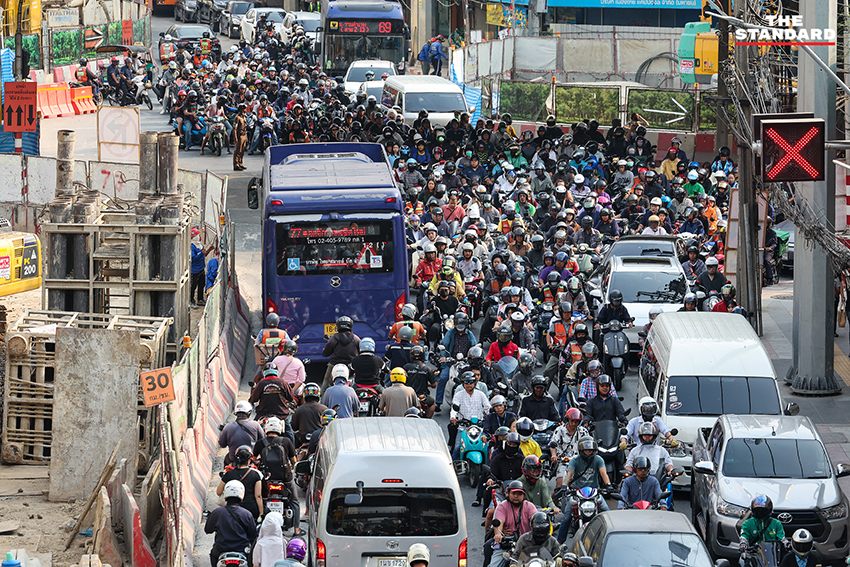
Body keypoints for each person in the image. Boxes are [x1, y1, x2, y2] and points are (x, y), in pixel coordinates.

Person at [557, 436, 612, 543]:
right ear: (581, 450)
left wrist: (608, 485)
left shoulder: (598, 459)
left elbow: (603, 473)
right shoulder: (575, 460)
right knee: (567, 517)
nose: (588, 453)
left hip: (594, 492)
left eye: (590, 450)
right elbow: (569, 473)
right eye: (586, 450)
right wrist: (564, 486)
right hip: (577, 492)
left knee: (608, 514)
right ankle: (559, 543)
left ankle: (609, 540)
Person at [205, 480, 257, 567]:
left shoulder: (217, 512)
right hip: (242, 549)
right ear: (242, 495)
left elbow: (208, 530)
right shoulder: (247, 514)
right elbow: (253, 535)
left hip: (221, 548)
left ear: (225, 494)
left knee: (213, 556)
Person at [489, 481, 537, 567]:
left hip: (528, 545)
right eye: (513, 493)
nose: (516, 496)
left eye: (519, 494)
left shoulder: (529, 506)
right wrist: (498, 534)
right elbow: (498, 522)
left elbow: (536, 521)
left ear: (523, 495)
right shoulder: (502, 506)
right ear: (508, 494)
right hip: (507, 544)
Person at [436, 312, 476, 410]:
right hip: (451, 362)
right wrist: (443, 357)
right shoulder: (450, 333)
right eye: (458, 325)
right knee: (443, 378)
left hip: (466, 362)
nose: (460, 327)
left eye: (462, 325)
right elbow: (444, 345)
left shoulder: (469, 334)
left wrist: (474, 356)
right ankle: (438, 402)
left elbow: (474, 346)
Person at [450, 371, 491, 459]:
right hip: (463, 428)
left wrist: (490, 416)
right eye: (466, 382)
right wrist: (453, 417)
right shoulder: (458, 395)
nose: (469, 384)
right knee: (458, 448)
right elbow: (454, 408)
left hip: (479, 428)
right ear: (463, 384)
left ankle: (488, 470)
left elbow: (487, 407)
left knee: (486, 447)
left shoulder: (481, 394)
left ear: (475, 383)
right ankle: (452, 468)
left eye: (471, 382)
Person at [217, 445, 264, 520]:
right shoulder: (255, 474)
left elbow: (219, 492)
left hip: (232, 509)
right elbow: (258, 496)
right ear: (248, 461)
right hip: (251, 509)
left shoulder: (229, 474)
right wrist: (261, 513)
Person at [740, 495, 787, 565]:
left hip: (773, 555)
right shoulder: (748, 523)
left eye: (763, 510)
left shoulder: (776, 523)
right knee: (743, 561)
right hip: (754, 554)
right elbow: (744, 537)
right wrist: (743, 544)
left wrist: (787, 544)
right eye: (758, 510)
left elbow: (782, 538)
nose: (760, 512)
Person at [550, 407, 589, 489]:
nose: (574, 424)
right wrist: (554, 455)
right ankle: (552, 502)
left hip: (580, 462)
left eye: (576, 422)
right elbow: (553, 444)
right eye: (572, 421)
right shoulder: (559, 430)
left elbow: (588, 445)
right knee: (559, 487)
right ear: (568, 420)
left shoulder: (583, 431)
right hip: (563, 463)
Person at [218, 400, 265, 465]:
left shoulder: (228, 426)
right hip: (252, 459)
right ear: (249, 413)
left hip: (233, 459)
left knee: (226, 462)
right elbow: (263, 442)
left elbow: (222, 444)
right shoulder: (256, 425)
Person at [321, 316, 361, 390]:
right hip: (351, 365)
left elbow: (325, 354)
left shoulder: (333, 338)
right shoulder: (356, 338)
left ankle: (323, 399)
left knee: (326, 381)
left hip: (334, 364)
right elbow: (361, 352)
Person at [190, 228, 208, 307]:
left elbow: (204, 254)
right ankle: (191, 300)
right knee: (193, 286)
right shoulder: (192, 247)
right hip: (195, 271)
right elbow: (193, 258)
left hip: (201, 269)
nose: (199, 237)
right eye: (198, 235)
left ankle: (200, 299)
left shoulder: (200, 245)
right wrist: (201, 253)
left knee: (201, 284)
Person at [233, 103, 248, 171]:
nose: (245, 110)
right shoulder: (237, 118)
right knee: (238, 150)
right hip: (240, 135)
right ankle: (236, 164)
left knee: (243, 150)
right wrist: (235, 137)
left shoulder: (244, 117)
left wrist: (246, 136)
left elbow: (245, 127)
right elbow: (235, 128)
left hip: (244, 134)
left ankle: (240, 163)